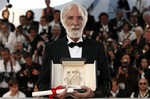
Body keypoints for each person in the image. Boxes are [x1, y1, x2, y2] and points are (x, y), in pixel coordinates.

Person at [37, 2, 111, 98]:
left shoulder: (97, 47)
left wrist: (93, 94)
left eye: (80, 18)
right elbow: (42, 83)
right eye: (70, 18)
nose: (75, 23)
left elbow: (107, 83)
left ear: (85, 21)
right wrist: (55, 94)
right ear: (63, 21)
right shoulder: (51, 48)